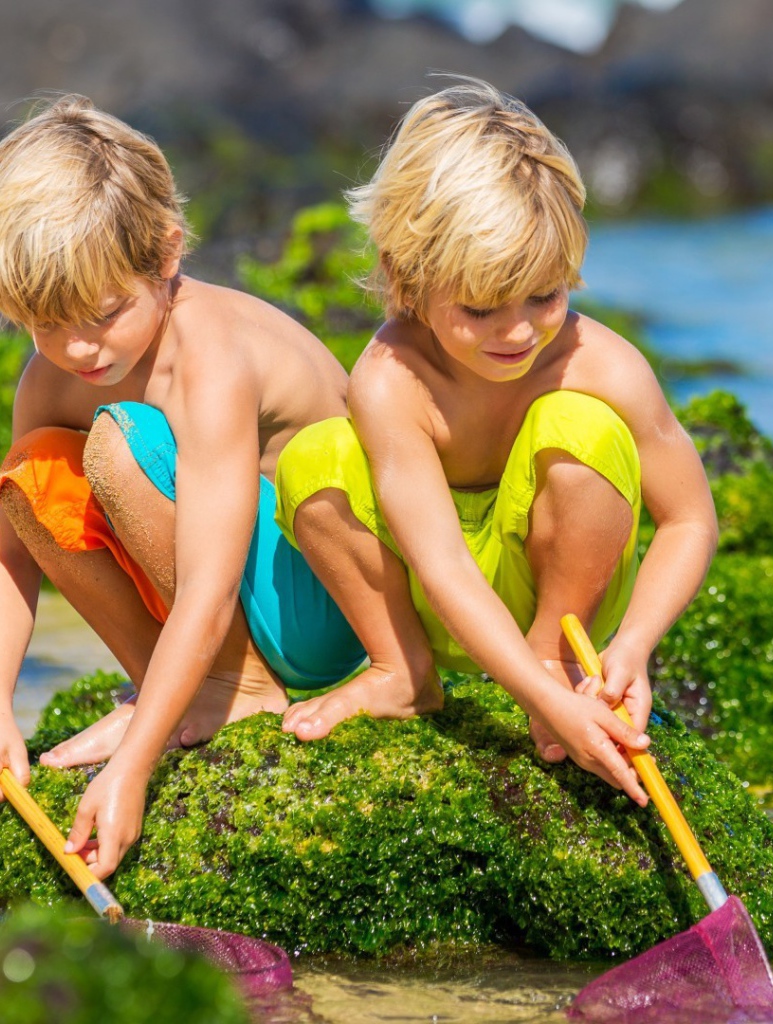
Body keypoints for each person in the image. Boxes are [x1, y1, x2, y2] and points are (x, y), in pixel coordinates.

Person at [274, 78, 719, 804]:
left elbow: (691, 518)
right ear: (406, 282)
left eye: (544, 296)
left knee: (582, 426)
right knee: (314, 458)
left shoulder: (599, 363)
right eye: (480, 309)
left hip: (566, 603)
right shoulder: (393, 380)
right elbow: (443, 564)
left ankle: (550, 658)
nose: (518, 332)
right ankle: (402, 672)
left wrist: (634, 644)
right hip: (437, 597)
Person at [0, 95, 409, 878]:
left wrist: (134, 770)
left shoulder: (210, 356)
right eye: (45, 324)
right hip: (227, 589)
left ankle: (238, 688)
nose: (78, 348)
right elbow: (12, 550)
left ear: (166, 254)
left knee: (119, 447)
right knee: (31, 474)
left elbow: (212, 587)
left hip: (322, 603)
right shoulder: (51, 373)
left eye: (105, 312)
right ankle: (175, 684)